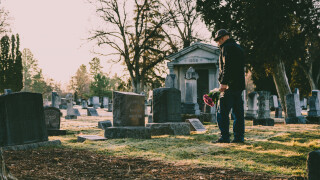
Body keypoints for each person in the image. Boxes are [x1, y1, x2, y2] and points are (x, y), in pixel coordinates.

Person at [213, 29, 245, 143]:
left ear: (222, 38)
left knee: (222, 112)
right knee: (238, 113)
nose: (218, 43)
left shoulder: (226, 48)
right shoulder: (238, 48)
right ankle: (239, 137)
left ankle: (224, 137)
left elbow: (227, 67)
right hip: (239, 86)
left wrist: (223, 83)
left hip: (229, 86)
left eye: (218, 40)